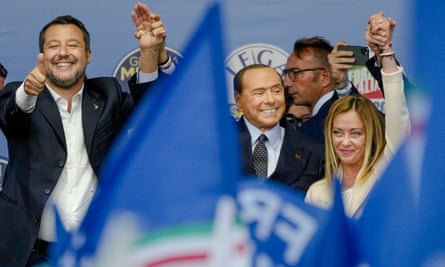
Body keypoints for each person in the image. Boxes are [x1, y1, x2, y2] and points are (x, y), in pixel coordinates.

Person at [0, 3, 174, 266]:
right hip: (31, 253)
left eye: (72, 45)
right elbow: (10, 115)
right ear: (42, 55)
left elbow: (150, 112)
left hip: (98, 252)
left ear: (88, 54)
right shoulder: (22, 95)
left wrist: (149, 53)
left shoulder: (108, 95)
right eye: (53, 46)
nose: (63, 53)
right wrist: (27, 91)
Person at [304, 13, 411, 218]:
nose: (345, 142)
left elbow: (398, 109)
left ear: (370, 134)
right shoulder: (317, 192)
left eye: (355, 133)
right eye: (338, 132)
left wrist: (385, 51)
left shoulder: (385, 172)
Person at [234, 64, 325, 193]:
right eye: (259, 93)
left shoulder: (316, 152)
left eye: (276, 91)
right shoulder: (218, 148)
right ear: (238, 101)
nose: (270, 100)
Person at [283, 36, 361, 143]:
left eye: (295, 73)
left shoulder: (316, 129)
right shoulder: (310, 127)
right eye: (286, 74)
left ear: (325, 77)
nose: (286, 83)